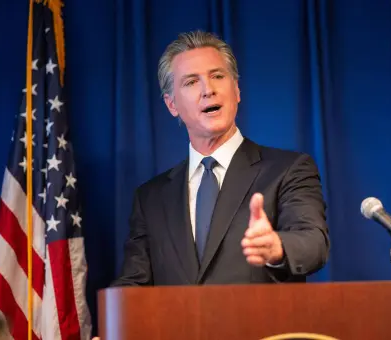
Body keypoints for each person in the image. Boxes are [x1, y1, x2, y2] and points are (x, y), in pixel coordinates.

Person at [112, 30, 330, 286]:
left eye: (217, 76)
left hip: (264, 326)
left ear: (236, 90)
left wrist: (276, 247)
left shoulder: (288, 170)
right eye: (191, 82)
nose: (208, 90)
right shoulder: (150, 198)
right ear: (172, 105)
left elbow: (313, 243)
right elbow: (134, 286)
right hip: (177, 327)